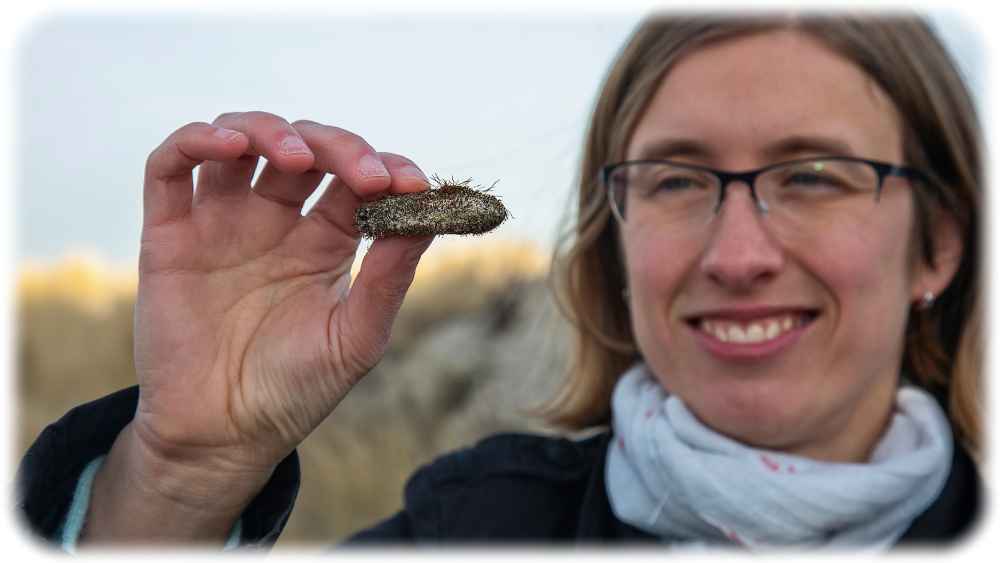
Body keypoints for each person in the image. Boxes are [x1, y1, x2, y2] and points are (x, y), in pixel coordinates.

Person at [17, 12, 982, 550]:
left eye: (811, 175)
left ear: (938, 244)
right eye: (677, 179)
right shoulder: (470, 524)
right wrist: (184, 478)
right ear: (614, 237)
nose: (737, 255)